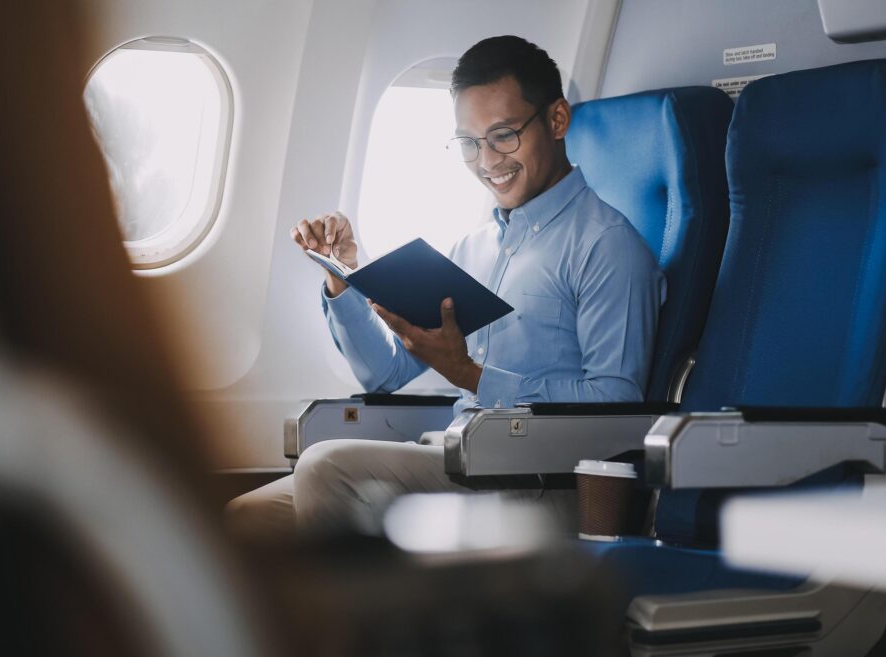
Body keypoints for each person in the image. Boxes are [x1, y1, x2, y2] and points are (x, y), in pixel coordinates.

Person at [226, 35, 666, 538]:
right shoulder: (473, 249)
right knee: (249, 520)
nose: (487, 160)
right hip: (457, 458)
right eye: (469, 143)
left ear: (557, 120)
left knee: (327, 468)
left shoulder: (606, 246)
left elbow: (617, 405)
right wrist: (340, 277)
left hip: (545, 485)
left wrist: (474, 376)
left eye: (503, 135)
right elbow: (385, 374)